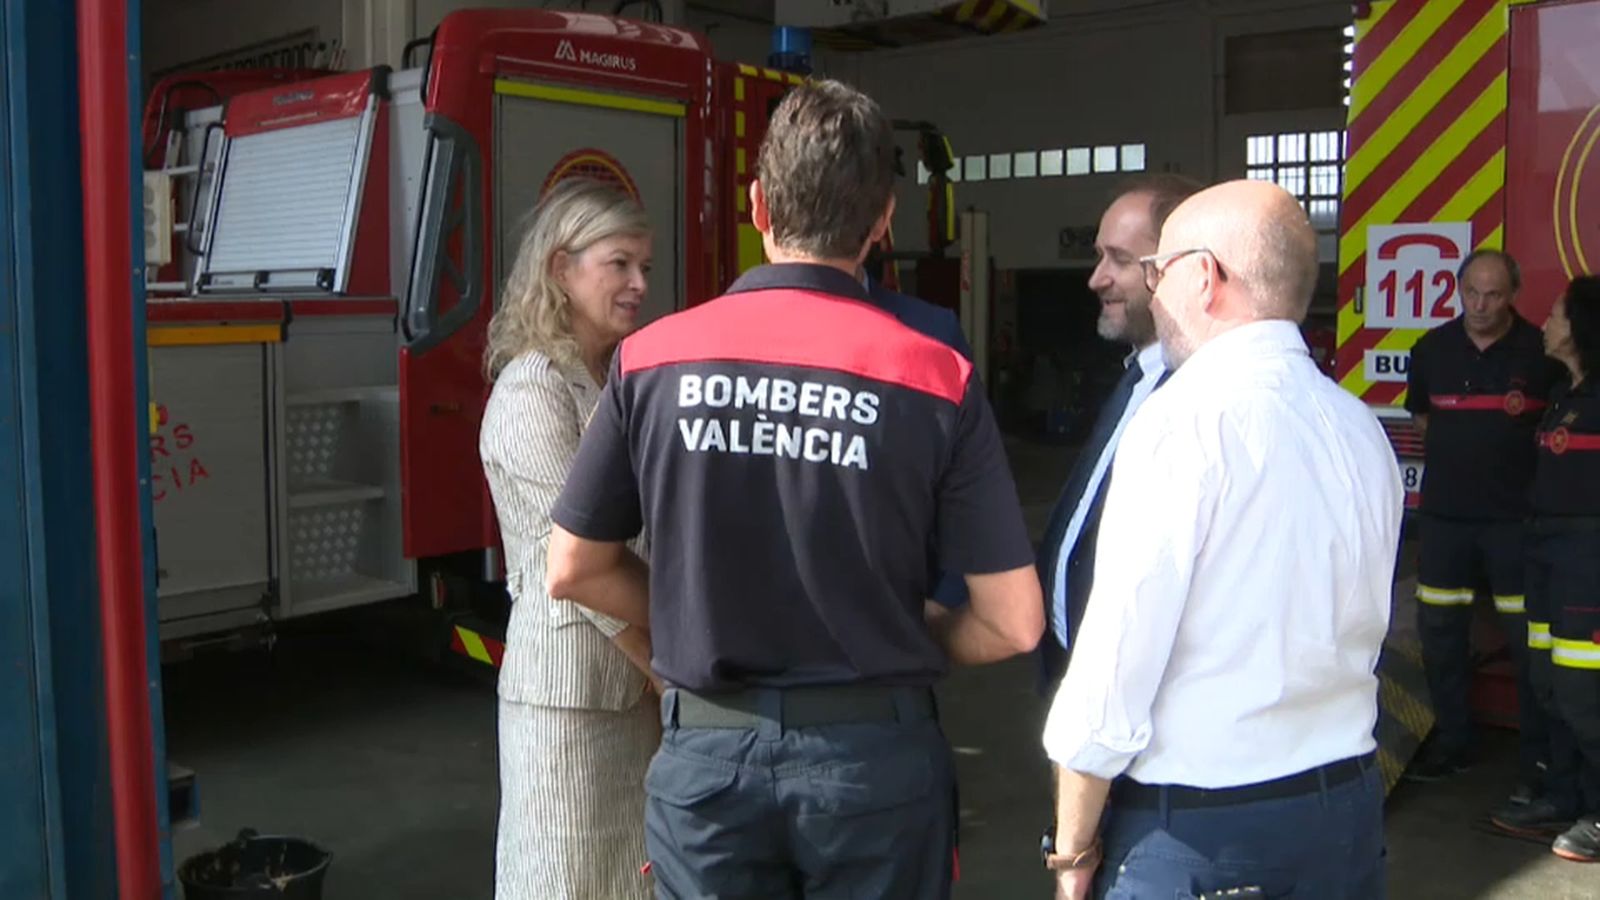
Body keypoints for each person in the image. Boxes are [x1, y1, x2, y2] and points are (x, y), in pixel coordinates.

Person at [544, 79, 1044, 899]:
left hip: (708, 764)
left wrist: (689, 610)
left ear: (758, 206)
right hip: (875, 771)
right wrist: (900, 628)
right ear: (883, 221)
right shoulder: (936, 377)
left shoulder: (652, 361)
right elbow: (1015, 621)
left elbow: (574, 568)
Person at [1040, 180, 1402, 899]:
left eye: (1158, 271)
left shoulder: (1183, 423)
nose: (1154, 291)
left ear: (1204, 276)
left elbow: (1111, 680)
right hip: (1346, 817)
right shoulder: (1359, 427)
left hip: (1204, 834)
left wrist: (1073, 853)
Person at [477, 177, 660, 900]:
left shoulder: (609, 381)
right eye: (620, 263)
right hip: (570, 704)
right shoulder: (532, 391)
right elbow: (581, 568)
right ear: (562, 268)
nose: (639, 283)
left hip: (625, 699)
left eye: (644, 266)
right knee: (563, 880)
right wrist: (664, 666)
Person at [1402, 249, 1563, 789]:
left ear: (1512, 294)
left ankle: (1539, 759)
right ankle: (1453, 743)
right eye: (1471, 292)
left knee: (1528, 645)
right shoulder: (1431, 350)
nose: (1480, 305)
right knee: (1442, 638)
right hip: (1445, 521)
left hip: (1516, 525)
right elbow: (1424, 418)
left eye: (1493, 295)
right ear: (1458, 288)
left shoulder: (1542, 356)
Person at [1033, 174, 1200, 682]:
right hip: (1084, 681)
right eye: (1100, 256)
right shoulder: (1139, 375)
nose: (1096, 278)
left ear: (1183, 269)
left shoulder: (1197, 400)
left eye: (1120, 260)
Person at [1494, 275, 1600, 860]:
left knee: (1584, 691)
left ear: (1582, 328)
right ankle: (1564, 795)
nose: (1548, 322)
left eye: (1558, 314)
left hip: (1588, 560)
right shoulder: (1563, 393)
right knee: (1548, 685)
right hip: (1545, 552)